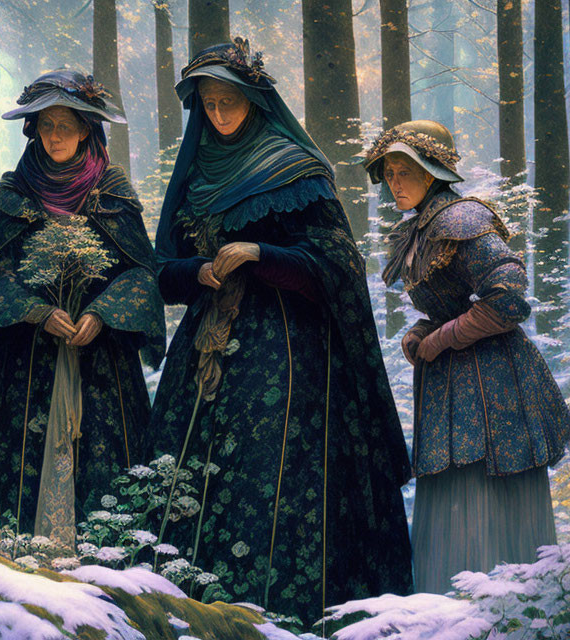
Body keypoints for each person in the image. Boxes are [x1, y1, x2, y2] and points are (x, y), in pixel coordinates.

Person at [148, 38, 413, 622]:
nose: (218, 114)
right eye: (208, 102)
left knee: (276, 487)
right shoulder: (193, 177)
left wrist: (258, 252)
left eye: (229, 101)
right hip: (206, 355)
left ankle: (280, 618)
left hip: (291, 360)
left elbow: (338, 263)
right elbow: (162, 273)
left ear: (253, 99)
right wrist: (199, 271)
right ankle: (192, 615)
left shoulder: (296, 168)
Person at [363, 120, 570, 594]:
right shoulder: (419, 227)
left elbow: (510, 299)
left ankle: (504, 613)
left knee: (485, 494)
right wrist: (424, 329)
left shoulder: (462, 220)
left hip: (495, 385)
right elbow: (452, 302)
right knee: (450, 495)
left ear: (432, 170)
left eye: (405, 171)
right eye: (389, 172)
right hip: (450, 386)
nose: (394, 182)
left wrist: (441, 339)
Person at [0, 70, 165, 547]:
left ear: (86, 131)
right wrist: (36, 311)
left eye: (66, 126)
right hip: (24, 362)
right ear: (33, 129)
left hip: (101, 361)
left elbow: (141, 273)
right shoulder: (15, 190)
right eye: (47, 125)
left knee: (108, 482)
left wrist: (102, 312)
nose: (55, 136)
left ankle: (111, 565)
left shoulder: (112, 190)